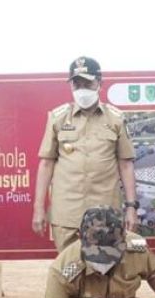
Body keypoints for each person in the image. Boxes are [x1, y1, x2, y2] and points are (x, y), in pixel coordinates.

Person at [33, 57, 138, 251]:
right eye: (76, 83)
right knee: (68, 271)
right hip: (67, 214)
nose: (82, 89)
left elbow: (126, 164)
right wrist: (38, 209)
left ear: (99, 82)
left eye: (87, 83)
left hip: (106, 213)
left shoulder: (115, 119)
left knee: (104, 270)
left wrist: (131, 207)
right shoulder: (57, 118)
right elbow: (46, 164)